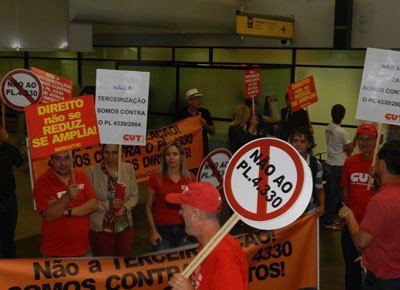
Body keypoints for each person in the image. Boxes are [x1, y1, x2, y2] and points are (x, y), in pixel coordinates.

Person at [339, 142, 400, 290]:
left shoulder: (380, 201)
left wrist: (349, 215)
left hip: (383, 279)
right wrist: (370, 257)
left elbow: (361, 241)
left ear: (382, 164)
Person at [166, 182, 248, 290]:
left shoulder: (226, 258)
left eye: (182, 208)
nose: (180, 212)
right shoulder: (207, 246)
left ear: (196, 216)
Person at [33, 151, 98, 257]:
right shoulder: (42, 182)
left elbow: (93, 205)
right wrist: (67, 196)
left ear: (73, 159)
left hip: (83, 250)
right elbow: (50, 216)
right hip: (54, 254)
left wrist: (65, 210)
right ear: (51, 160)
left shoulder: (80, 176)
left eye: (67, 158)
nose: (63, 163)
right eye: (58, 159)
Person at [339, 123, 378, 290]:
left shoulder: (382, 165)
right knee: (352, 270)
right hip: (352, 224)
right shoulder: (349, 162)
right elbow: (346, 192)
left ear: (377, 140)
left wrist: (377, 178)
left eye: (369, 139)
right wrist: (346, 217)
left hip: (375, 228)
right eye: (361, 139)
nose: (364, 143)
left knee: (375, 271)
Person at [85, 144, 139, 257]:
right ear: (101, 153)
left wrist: (124, 208)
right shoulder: (91, 172)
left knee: (123, 264)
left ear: (121, 153)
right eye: (107, 152)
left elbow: (134, 195)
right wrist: (108, 204)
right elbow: (89, 202)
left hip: (124, 226)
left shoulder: (128, 168)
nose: (110, 157)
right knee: (106, 266)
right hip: (101, 228)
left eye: (114, 153)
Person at [146, 141, 196, 251]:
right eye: (168, 154)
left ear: (181, 157)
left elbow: (195, 206)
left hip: (185, 231)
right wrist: (153, 231)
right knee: (162, 266)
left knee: (188, 264)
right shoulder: (155, 178)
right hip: (162, 232)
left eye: (175, 154)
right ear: (164, 158)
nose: (171, 158)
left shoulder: (190, 178)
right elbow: (148, 208)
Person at [322, 104, 354, 229]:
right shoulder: (341, 131)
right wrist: (347, 148)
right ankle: (329, 221)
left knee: (329, 193)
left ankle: (325, 218)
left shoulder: (328, 128)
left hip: (329, 163)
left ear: (331, 114)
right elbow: (350, 148)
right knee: (335, 195)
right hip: (339, 165)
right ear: (343, 116)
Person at [0, 128, 28, 258]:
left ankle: (10, 270)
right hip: (8, 202)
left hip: (9, 202)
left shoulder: (10, 150)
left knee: (8, 239)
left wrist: (30, 154)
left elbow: (24, 169)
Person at [289, 126, 325, 217]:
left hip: (308, 214)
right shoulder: (284, 162)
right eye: (295, 141)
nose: (298, 144)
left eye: (302, 141)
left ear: (309, 144)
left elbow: (319, 189)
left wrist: (322, 205)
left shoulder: (315, 165)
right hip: (288, 213)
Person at [175, 88, 215, 157]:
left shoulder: (204, 112)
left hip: (203, 151)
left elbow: (213, 131)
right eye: (197, 99)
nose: (199, 101)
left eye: (200, 99)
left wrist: (205, 125)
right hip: (187, 151)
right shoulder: (181, 114)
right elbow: (175, 134)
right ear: (189, 101)